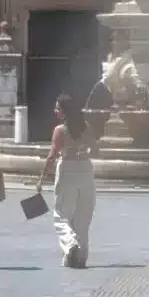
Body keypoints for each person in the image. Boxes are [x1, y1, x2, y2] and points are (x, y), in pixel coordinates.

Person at [36, 94, 98, 269]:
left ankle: (70, 245)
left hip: (67, 170)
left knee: (62, 214)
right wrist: (82, 151)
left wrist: (41, 179)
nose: (55, 111)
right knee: (83, 216)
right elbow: (96, 151)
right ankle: (81, 257)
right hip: (85, 169)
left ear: (64, 111)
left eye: (57, 108)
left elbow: (52, 156)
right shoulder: (87, 127)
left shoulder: (60, 130)